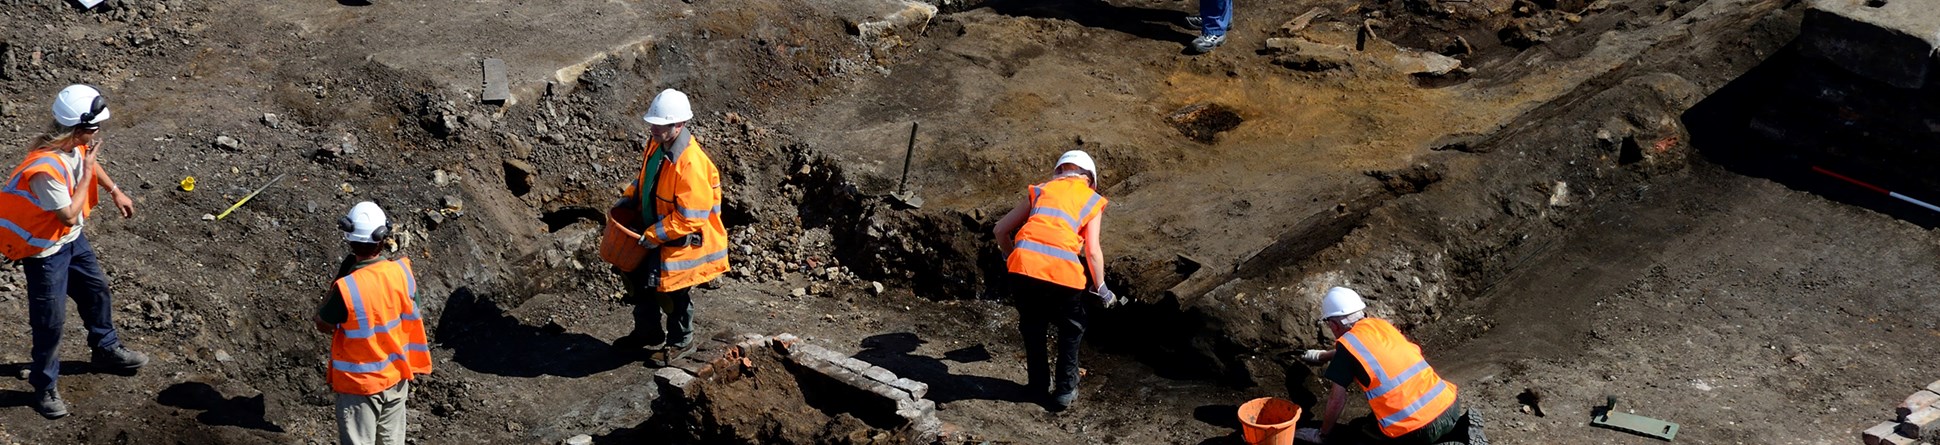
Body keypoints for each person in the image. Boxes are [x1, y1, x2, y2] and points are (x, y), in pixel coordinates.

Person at [0, 84, 147, 419]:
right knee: (49, 323)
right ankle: (44, 386)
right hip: (45, 253)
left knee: (96, 292)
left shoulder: (73, 145)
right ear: (79, 128)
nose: (97, 135)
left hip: (72, 240)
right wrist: (89, 169)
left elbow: (87, 164)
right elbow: (67, 212)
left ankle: (106, 348)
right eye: (94, 129)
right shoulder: (43, 170)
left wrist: (114, 191)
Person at [609, 88, 729, 368]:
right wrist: (628, 199)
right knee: (639, 283)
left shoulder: (691, 164)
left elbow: (691, 217)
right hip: (652, 231)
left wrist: (653, 235)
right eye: (652, 122)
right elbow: (645, 181)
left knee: (672, 292)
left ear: (679, 124)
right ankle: (647, 332)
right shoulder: (656, 145)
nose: (652, 128)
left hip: (679, 240)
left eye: (659, 124)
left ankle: (681, 341)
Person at [991, 150, 1115, 411]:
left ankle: (1037, 386)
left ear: (1058, 171)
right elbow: (1092, 251)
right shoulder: (1091, 199)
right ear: (1090, 178)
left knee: (1033, 326)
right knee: (1071, 329)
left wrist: (1011, 255)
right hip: (1064, 275)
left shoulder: (1041, 190)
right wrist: (1101, 288)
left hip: (1023, 270)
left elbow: (1000, 229)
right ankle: (1064, 391)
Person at [1293, 287, 1485, 444]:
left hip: (1418, 429)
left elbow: (1337, 400)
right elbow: (1359, 353)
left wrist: (1322, 435)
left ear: (1334, 325)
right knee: (1373, 422)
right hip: (1449, 405)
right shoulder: (1381, 326)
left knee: (1364, 434)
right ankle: (1459, 431)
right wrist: (1323, 356)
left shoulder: (1347, 346)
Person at [313, 202, 432, 445]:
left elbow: (323, 323)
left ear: (349, 238)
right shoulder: (402, 272)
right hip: (396, 376)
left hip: (361, 386)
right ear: (382, 237)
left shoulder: (347, 287)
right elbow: (412, 308)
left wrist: (339, 278)